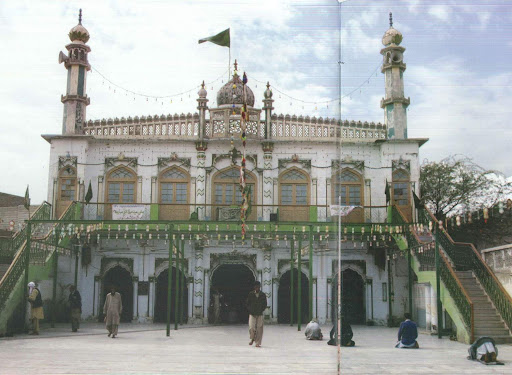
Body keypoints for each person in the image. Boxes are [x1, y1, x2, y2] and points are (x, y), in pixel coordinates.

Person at [246, 281, 267, 348]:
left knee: (259, 328)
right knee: (251, 327)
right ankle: (252, 338)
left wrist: (261, 310)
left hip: (259, 314)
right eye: (256, 286)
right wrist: (251, 310)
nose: (257, 288)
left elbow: (265, 304)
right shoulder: (251, 294)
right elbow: (247, 303)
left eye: (258, 286)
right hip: (252, 314)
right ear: (254, 287)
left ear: (259, 287)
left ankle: (257, 342)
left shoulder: (262, 295)